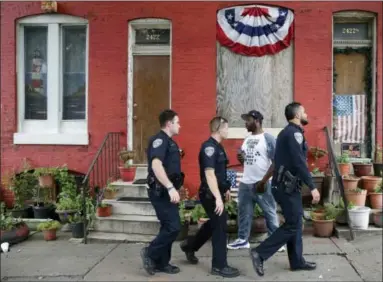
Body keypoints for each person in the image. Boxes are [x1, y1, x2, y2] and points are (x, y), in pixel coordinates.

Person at [249, 102, 321, 277]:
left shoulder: (285, 133)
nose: (306, 114)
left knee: (295, 223)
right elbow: (299, 162)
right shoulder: (294, 134)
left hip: (284, 186)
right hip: (286, 188)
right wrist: (312, 187)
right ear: (297, 116)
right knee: (293, 224)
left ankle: (296, 261)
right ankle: (260, 253)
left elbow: (280, 162)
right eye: (304, 112)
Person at [179, 117, 240, 278]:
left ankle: (190, 246)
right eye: (226, 128)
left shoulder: (219, 147)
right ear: (219, 129)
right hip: (210, 194)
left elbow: (220, 173)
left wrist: (225, 189)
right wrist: (218, 198)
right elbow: (209, 174)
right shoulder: (209, 148)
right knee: (220, 226)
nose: (228, 131)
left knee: (215, 223)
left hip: (216, 192)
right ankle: (219, 266)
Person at [227, 110, 285, 252]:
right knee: (244, 212)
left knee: (269, 211)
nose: (245, 123)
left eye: (248, 120)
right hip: (246, 182)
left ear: (257, 121)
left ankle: (276, 242)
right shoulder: (247, 139)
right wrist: (241, 158)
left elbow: (276, 162)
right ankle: (242, 240)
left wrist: (264, 181)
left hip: (262, 183)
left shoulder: (268, 139)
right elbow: (245, 158)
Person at [140, 109, 185, 276]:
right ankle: (150, 253)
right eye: (177, 122)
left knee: (168, 226)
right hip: (161, 192)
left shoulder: (169, 142)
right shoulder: (160, 140)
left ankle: (162, 263)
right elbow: (156, 166)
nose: (180, 125)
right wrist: (170, 187)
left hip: (167, 191)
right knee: (174, 227)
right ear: (169, 124)